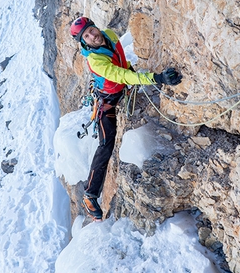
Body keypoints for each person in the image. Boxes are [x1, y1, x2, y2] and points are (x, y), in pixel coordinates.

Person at [70, 16, 183, 221]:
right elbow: (119, 75)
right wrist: (156, 78)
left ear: (96, 27)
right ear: (84, 42)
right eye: (86, 36)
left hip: (119, 91)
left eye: (91, 30)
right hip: (108, 102)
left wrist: (133, 74)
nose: (92, 36)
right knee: (106, 145)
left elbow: (122, 62)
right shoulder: (95, 60)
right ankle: (90, 195)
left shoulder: (110, 35)